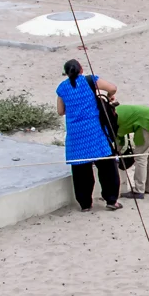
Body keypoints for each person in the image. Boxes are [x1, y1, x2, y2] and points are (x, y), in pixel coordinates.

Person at [54, 59, 121, 211]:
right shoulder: (91, 81)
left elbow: (60, 111)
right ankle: (111, 200)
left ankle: (85, 204)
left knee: (80, 172)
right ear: (81, 69)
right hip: (95, 132)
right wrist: (110, 96)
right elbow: (113, 88)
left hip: (75, 136)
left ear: (66, 72)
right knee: (107, 168)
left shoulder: (62, 88)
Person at [112, 99, 149, 199]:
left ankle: (138, 190)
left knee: (140, 157)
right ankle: (147, 188)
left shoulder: (110, 119)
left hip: (144, 122)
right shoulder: (115, 110)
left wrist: (115, 152)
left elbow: (118, 139)